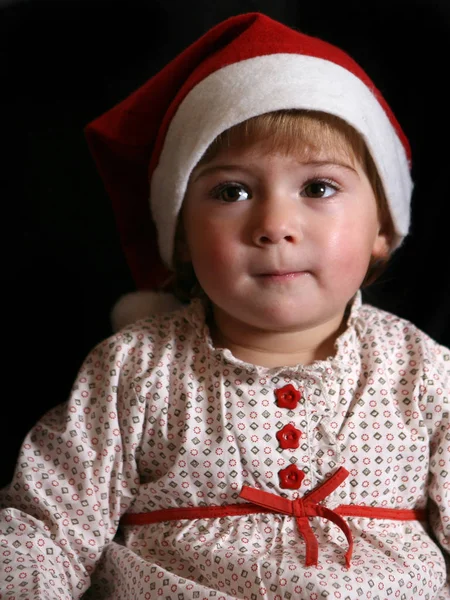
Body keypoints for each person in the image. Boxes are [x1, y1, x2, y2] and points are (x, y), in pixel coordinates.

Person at [1, 12, 449, 600]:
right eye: (231, 191)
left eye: (317, 188)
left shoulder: (421, 370)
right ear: (183, 238)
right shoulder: (135, 369)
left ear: (382, 228)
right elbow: (47, 526)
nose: (274, 225)